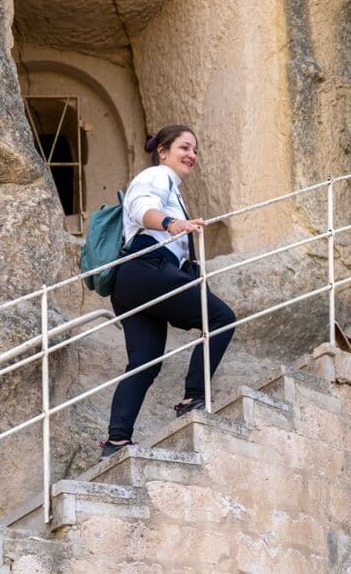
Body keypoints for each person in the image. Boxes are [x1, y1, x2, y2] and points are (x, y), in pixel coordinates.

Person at [100, 125, 237, 458]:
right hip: (147, 267)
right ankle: (193, 397)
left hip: (132, 282)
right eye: (184, 147)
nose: (192, 155)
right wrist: (169, 224)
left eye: (195, 150)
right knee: (221, 318)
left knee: (145, 362)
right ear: (162, 151)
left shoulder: (171, 188)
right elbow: (140, 209)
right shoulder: (156, 177)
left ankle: (116, 442)